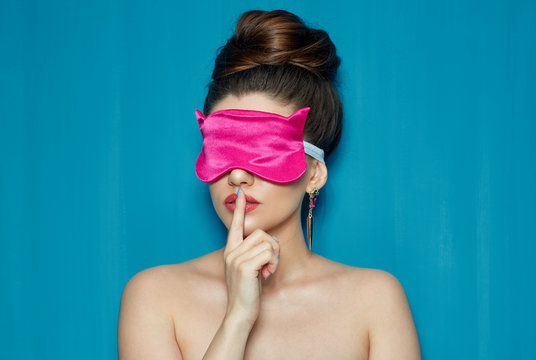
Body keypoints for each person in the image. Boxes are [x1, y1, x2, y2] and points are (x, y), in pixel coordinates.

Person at [118, 10, 421, 360]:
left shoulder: (375, 302)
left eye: (261, 150)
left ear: (314, 174)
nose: (236, 176)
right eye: (221, 149)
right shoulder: (155, 297)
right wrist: (237, 319)